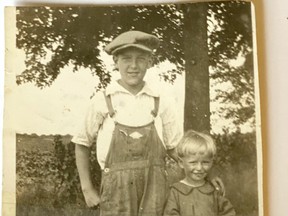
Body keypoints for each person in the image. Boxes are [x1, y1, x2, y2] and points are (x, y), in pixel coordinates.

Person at [72, 30, 183, 216]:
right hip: (116, 192)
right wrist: (87, 189)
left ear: (150, 61)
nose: (133, 66)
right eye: (126, 59)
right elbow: (82, 144)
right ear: (115, 62)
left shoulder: (161, 100)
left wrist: (202, 176)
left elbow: (176, 148)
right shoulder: (102, 100)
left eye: (141, 58)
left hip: (155, 191)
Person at [163, 130, 236, 216]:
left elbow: (228, 213)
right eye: (193, 162)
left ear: (212, 162)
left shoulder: (213, 191)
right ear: (181, 163)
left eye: (205, 162)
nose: (199, 168)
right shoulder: (175, 192)